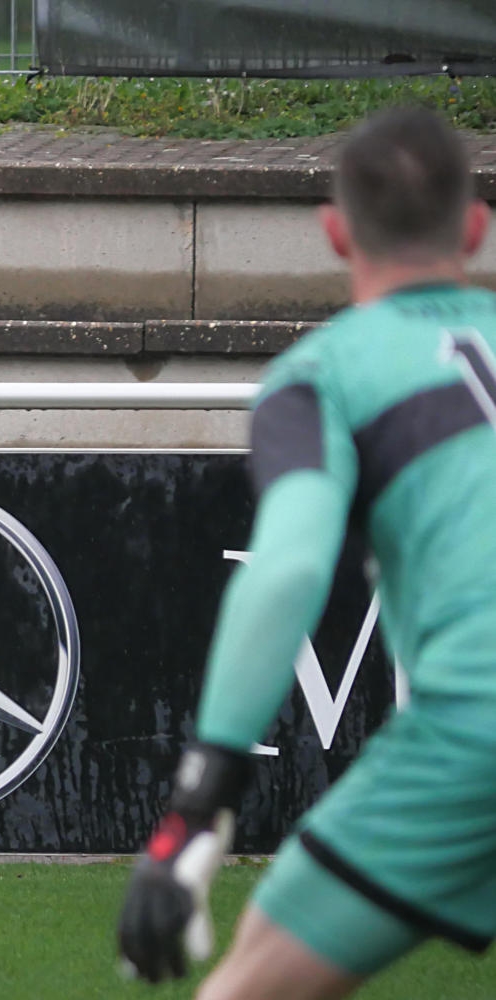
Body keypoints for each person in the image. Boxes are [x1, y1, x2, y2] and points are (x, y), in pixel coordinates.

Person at [116, 106, 496, 997]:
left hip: (473, 737)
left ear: (334, 232)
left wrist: (198, 805)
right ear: (475, 227)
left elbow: (286, 569)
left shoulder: (321, 376)